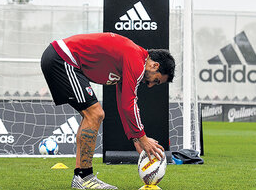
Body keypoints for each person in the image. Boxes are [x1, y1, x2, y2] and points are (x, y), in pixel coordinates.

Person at [40, 32, 175, 190]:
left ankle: (81, 176)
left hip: (60, 57)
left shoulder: (133, 58)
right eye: (156, 80)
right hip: (63, 58)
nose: (151, 85)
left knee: (91, 115)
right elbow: (129, 103)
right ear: (154, 65)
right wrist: (142, 137)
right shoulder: (137, 60)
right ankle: (84, 177)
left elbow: (122, 102)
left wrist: (135, 138)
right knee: (95, 114)